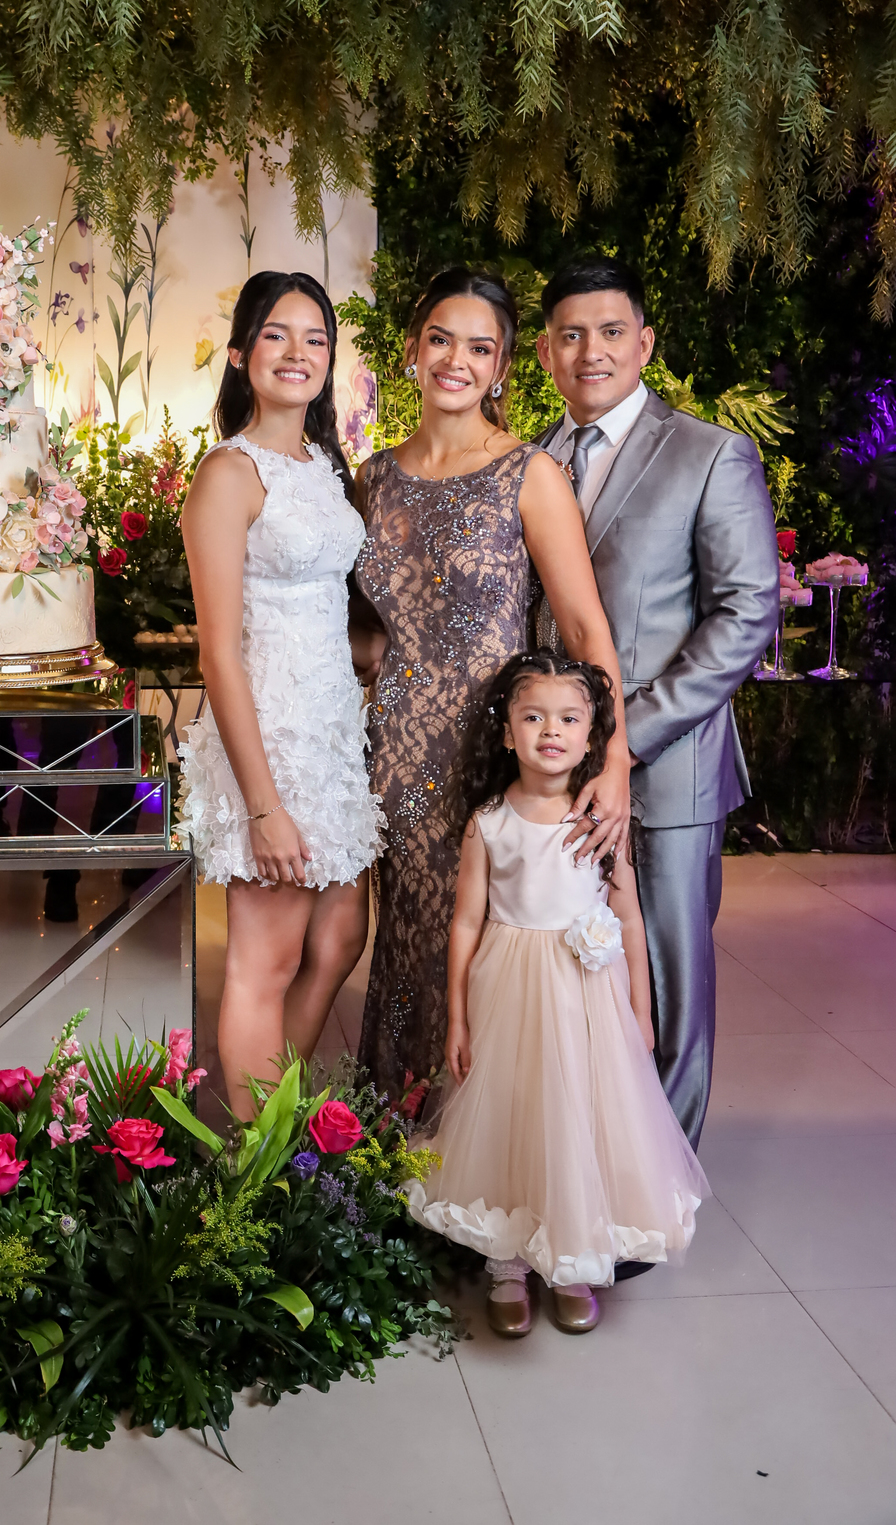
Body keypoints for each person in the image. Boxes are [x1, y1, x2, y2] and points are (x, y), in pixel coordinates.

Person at [353, 267, 632, 1102]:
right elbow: (365, 628)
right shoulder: (372, 478)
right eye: (441, 339)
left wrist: (613, 760)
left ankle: (484, 1148)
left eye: (480, 347)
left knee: (486, 944)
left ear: (504, 365)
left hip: (493, 755)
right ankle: (402, 1143)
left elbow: (584, 630)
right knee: (408, 940)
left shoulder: (530, 473)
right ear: (413, 349)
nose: (457, 361)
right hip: (395, 757)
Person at [536, 253, 778, 1148]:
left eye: (609, 331)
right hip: (551, 768)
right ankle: (586, 1162)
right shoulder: (535, 458)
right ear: (546, 353)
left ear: (644, 342)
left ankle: (660, 1183)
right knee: (571, 967)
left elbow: (746, 613)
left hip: (668, 767)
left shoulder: (710, 453)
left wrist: (625, 739)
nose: (590, 351)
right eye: (570, 335)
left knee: (670, 985)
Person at [407, 651, 709, 1338]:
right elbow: (465, 921)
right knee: (514, 1112)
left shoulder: (601, 820)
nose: (551, 730)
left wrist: (640, 1009)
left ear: (592, 733)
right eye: (534, 716)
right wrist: (457, 1016)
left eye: (570, 718)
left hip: (586, 997)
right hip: (509, 990)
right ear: (506, 730)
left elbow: (628, 918)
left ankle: (572, 1262)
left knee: (581, 1116)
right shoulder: (489, 821)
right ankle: (507, 1264)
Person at [179, 270, 384, 1118]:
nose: (298, 352)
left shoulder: (324, 464)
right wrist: (263, 806)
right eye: (276, 334)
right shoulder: (229, 473)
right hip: (268, 740)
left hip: (331, 734)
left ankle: (266, 1117)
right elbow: (218, 653)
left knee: (340, 937)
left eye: (316, 338)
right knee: (265, 961)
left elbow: (327, 606)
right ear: (240, 353)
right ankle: (260, 1159)